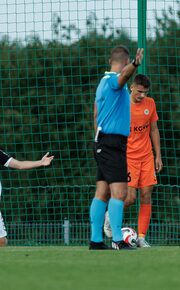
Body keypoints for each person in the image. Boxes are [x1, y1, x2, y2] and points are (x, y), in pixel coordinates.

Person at [89, 45, 144, 250]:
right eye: (127, 64)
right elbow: (123, 78)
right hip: (112, 143)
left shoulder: (101, 84)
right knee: (120, 193)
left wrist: (98, 138)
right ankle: (118, 240)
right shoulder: (113, 80)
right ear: (123, 62)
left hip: (102, 141)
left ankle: (95, 241)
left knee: (102, 192)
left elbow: (95, 114)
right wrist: (136, 64)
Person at [103, 74, 162, 247]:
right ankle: (109, 216)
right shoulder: (121, 105)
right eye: (140, 91)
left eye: (145, 92)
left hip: (146, 157)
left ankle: (142, 237)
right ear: (132, 87)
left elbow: (153, 130)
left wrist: (158, 155)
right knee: (129, 199)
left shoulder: (150, 104)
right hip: (127, 158)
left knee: (146, 195)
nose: (142, 95)